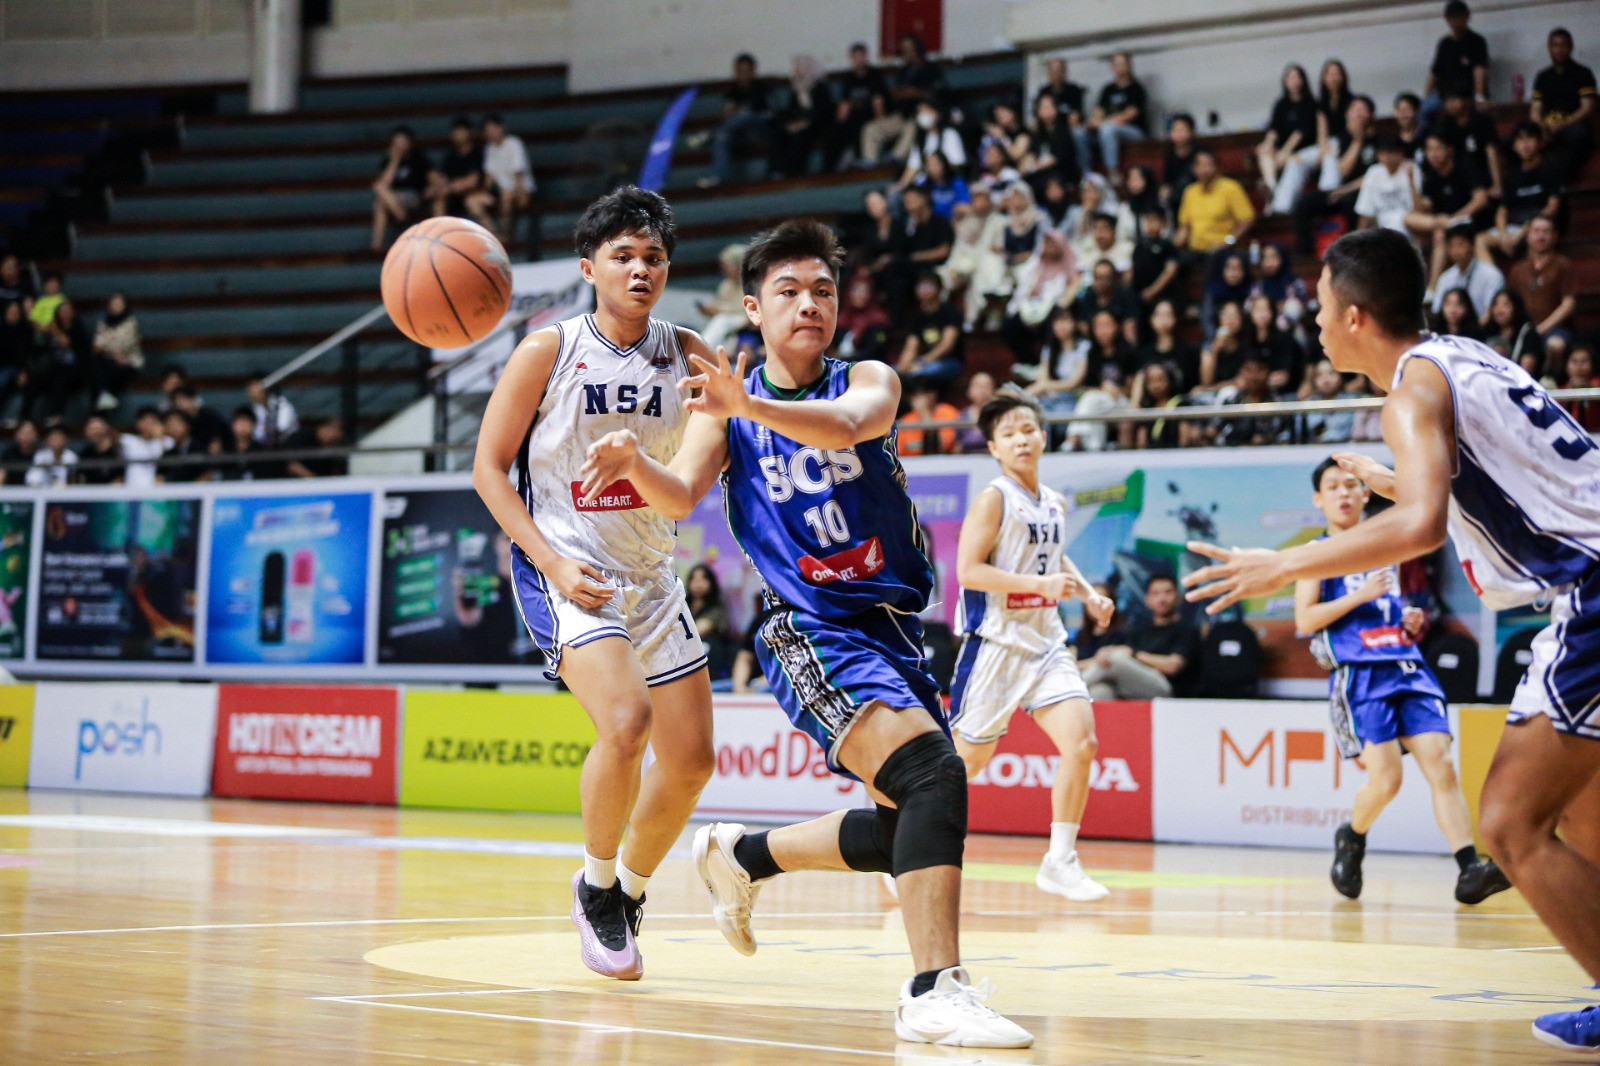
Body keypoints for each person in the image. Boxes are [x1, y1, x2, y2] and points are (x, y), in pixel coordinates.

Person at [577, 218, 1033, 1048]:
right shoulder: (723, 413)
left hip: (895, 625)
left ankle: (743, 856)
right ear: (754, 308)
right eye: (788, 290)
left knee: (909, 826)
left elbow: (849, 424)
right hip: (810, 627)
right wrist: (631, 463)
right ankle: (934, 991)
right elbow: (679, 497)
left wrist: (745, 402)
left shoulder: (870, 378)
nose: (809, 303)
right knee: (933, 773)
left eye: (822, 289)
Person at [1182, 226, 1600, 1054]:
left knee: (1512, 825)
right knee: (1582, 818)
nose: (1315, 319)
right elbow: (1463, 482)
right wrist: (1401, 477)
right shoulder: (1460, 354)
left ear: (1358, 316)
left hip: (1592, 591)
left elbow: (1418, 524)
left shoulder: (1407, 394)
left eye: (1322, 304)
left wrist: (1286, 563)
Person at [470, 186, 714, 983]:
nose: (641, 268)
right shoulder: (549, 349)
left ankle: (627, 893)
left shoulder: (693, 353)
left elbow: (697, 474)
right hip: (568, 568)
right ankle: (597, 883)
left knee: (692, 763)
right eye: (623, 256)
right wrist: (552, 561)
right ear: (589, 268)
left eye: (653, 257)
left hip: (651, 573)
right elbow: (487, 470)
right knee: (627, 719)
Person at [1297, 456, 1510, 901]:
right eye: (1333, 486)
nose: (1344, 493)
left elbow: (1388, 607)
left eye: (1352, 484)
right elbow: (1306, 617)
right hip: (1361, 676)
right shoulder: (1315, 553)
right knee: (1387, 781)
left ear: (1365, 493)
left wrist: (1406, 619)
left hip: (1407, 665)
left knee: (1442, 763)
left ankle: (1468, 868)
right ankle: (1352, 836)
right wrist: (1362, 595)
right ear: (1319, 499)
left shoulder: (1386, 545)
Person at [948, 389, 1116, 901]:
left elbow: (1053, 559)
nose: (1020, 438)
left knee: (1082, 744)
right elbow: (968, 572)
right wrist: (1036, 588)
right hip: (995, 644)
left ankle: (1059, 860)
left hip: (1046, 643)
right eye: (1008, 433)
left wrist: (1088, 594)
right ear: (994, 448)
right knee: (961, 767)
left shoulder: (1055, 501)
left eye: (1027, 429)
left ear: (1043, 436)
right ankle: (900, 843)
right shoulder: (993, 498)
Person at [1081, 574, 1199, 698]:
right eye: (1156, 593)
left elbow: (1173, 666)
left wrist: (1134, 654)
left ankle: (1069, 691)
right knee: (1101, 691)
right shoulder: (1140, 630)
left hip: (1170, 690)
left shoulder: (1187, 629)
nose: (1162, 598)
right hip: (1134, 687)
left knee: (1115, 659)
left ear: (1178, 596)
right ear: (1147, 599)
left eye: (1168, 592)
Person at [1405, 132, 1491, 286]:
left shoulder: (1465, 166)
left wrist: (1455, 218)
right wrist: (1411, 181)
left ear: (1449, 150)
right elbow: (1422, 209)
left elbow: (1481, 199)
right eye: (1429, 150)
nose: (1433, 154)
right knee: (1408, 218)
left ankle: (1431, 287)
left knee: (1440, 234)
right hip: (1444, 222)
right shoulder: (1431, 175)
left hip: (1469, 221)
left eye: (1438, 149)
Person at [1478, 121, 1562, 263]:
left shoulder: (1550, 169)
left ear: (1540, 142)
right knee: (1480, 239)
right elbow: (1502, 211)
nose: (1525, 144)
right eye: (1520, 140)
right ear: (1514, 145)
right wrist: (1503, 235)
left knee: (1536, 234)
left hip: (1540, 225)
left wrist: (1524, 231)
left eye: (1529, 138)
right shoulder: (1512, 176)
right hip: (1516, 226)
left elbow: (1552, 207)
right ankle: (1495, 283)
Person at [1529, 27, 1594, 184]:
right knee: (1515, 140)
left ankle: (1560, 184)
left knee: (1579, 134)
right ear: (1549, 48)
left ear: (1570, 47)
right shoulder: (1542, 76)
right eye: (1554, 45)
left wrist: (1561, 126)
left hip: (1571, 126)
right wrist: (1541, 127)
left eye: (1562, 45)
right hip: (1547, 127)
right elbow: (1535, 110)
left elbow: (1587, 108)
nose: (1559, 50)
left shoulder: (1583, 73)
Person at [1260, 64, 1324, 216]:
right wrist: (1268, 144)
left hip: (1304, 150)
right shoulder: (1281, 104)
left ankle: (1280, 204)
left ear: (1303, 80)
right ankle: (1272, 187)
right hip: (1282, 150)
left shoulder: (1310, 103)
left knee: (1292, 161)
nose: (1293, 81)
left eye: (1296, 77)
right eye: (1289, 78)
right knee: (1263, 152)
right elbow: (1274, 129)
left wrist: (1284, 152)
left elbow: (1301, 132)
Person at [1506, 216, 1575, 344]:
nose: (1541, 236)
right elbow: (1510, 302)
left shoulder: (1563, 264)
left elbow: (1569, 304)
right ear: (1528, 235)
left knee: (1555, 345)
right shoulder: (1517, 269)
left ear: (1554, 236)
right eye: (1536, 231)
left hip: (1555, 329)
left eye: (1546, 232)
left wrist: (1541, 329)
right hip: (1524, 329)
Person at [467, 113, 534, 243]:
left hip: (521, 189)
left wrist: (522, 195)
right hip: (501, 191)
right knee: (472, 201)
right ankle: (494, 235)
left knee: (506, 195)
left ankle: (506, 234)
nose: (490, 133)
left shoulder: (514, 143)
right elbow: (490, 176)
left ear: (501, 128)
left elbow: (518, 173)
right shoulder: (489, 149)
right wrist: (484, 191)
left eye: (492, 129)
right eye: (487, 131)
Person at [1176, 149, 1256, 256]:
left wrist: (1227, 241)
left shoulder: (1231, 188)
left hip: (1222, 250)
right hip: (1196, 250)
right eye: (1199, 165)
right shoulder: (1190, 191)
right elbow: (1184, 226)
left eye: (1207, 165)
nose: (1203, 169)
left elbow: (1247, 220)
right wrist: (1174, 244)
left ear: (1216, 167)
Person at [895, 274, 964, 392]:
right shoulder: (917, 317)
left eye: (929, 286)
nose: (925, 290)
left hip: (949, 362)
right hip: (923, 361)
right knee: (890, 373)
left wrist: (922, 362)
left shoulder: (950, 312)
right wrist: (903, 366)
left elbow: (946, 345)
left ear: (939, 289)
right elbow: (911, 346)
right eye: (921, 286)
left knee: (919, 374)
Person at [371, 125, 433, 251]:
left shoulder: (417, 158)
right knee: (380, 200)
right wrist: (395, 161)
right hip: (394, 198)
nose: (400, 145)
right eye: (397, 141)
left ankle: (376, 243)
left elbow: (431, 179)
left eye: (403, 141)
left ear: (409, 142)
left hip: (414, 197)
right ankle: (377, 245)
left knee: (379, 194)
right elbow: (384, 184)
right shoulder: (388, 161)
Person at [770, 55, 832, 180]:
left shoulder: (820, 87)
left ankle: (794, 174)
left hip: (816, 124)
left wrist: (804, 123)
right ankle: (776, 172)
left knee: (802, 137)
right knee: (780, 134)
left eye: (799, 67)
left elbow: (822, 112)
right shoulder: (796, 88)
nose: (796, 70)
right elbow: (792, 110)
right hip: (798, 123)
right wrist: (790, 124)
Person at [829, 43, 889, 170]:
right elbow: (844, 104)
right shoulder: (849, 78)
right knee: (834, 132)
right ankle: (831, 169)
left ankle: (857, 161)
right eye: (856, 57)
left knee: (862, 128)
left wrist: (880, 122)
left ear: (866, 57)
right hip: (853, 115)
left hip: (869, 115)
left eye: (861, 56)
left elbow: (878, 102)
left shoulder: (874, 75)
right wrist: (839, 122)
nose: (859, 60)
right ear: (851, 58)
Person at [1086, 52, 1146, 173]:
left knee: (1108, 129)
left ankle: (1112, 172)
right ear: (1112, 67)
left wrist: (1103, 123)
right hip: (1107, 131)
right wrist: (1093, 121)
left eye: (1123, 64)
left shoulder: (1137, 88)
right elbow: (1097, 112)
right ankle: (1086, 173)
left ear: (1130, 66)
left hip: (1134, 132)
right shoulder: (1108, 89)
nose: (1120, 68)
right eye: (1117, 64)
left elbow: (1129, 115)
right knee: (1080, 134)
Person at [1429, 223, 1501, 320]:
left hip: (1480, 332)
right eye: (1451, 245)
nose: (1456, 250)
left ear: (1472, 245)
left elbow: (1491, 314)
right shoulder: (1445, 278)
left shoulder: (1491, 275)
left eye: (1461, 244)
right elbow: (1437, 311)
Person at [1353, 133, 1419, 236]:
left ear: (1400, 153)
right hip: (1381, 225)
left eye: (1390, 152)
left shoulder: (1411, 169)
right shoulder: (1373, 172)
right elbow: (1365, 211)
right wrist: (1358, 238)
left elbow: (1418, 208)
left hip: (1410, 223)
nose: (1386, 157)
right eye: (1382, 152)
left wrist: (1410, 178)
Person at [90, 292, 141, 412]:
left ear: (125, 306)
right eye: (113, 303)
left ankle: (99, 412)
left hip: (128, 362)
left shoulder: (131, 323)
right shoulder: (104, 323)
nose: (116, 306)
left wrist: (107, 347)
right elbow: (97, 346)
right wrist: (112, 351)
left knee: (107, 370)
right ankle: (103, 402)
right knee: (93, 363)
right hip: (108, 360)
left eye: (119, 304)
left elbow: (124, 345)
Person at [696, 243, 751, 353]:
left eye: (728, 266)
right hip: (727, 321)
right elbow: (719, 305)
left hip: (745, 320)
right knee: (719, 322)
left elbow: (746, 309)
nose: (725, 269)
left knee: (722, 320)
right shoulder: (726, 285)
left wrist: (721, 310)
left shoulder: (752, 284)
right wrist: (709, 310)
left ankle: (701, 351)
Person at [426, 117, 484, 219]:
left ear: (468, 133)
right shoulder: (451, 155)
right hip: (453, 195)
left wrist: (449, 188)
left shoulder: (477, 153)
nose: (456, 135)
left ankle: (492, 233)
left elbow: (473, 181)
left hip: (474, 192)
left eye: (460, 131)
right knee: (439, 200)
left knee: (471, 201)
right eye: (455, 132)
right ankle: (439, 232)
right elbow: (442, 175)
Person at [685, 563, 734, 680]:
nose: (698, 584)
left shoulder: (716, 610)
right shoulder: (683, 607)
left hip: (710, 667)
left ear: (711, 583)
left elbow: (695, 632)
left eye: (703, 579)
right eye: (695, 579)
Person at [896, 380, 961, 456]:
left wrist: (925, 413)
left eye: (920, 395)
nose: (916, 400)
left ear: (933, 395)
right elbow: (899, 452)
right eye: (914, 395)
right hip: (911, 464)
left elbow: (944, 446)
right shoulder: (906, 419)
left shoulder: (948, 412)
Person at [121, 406, 168, 488]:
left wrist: (160, 437)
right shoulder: (129, 440)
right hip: (131, 491)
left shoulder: (167, 441)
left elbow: (168, 460)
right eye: (146, 422)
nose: (149, 426)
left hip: (157, 492)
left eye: (153, 423)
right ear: (138, 424)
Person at [25, 423, 77, 487]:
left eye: (59, 437)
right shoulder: (41, 455)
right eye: (53, 438)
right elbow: (32, 479)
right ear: (47, 440)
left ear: (65, 439)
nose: (56, 440)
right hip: (43, 492)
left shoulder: (71, 457)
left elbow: (73, 480)